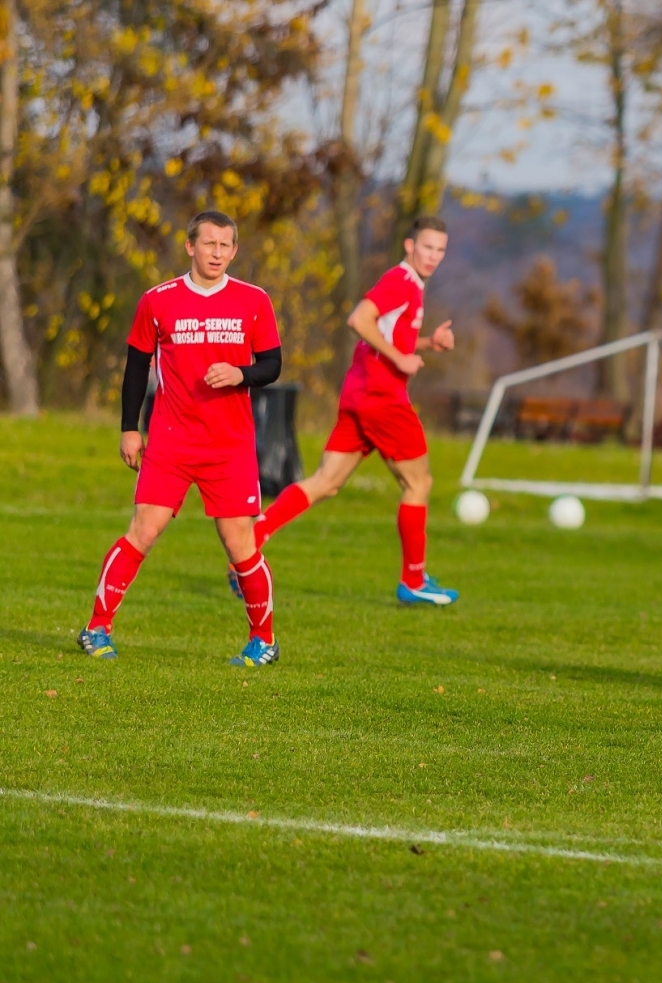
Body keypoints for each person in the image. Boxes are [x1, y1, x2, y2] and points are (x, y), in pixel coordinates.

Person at [78, 210, 284, 666]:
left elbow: (272, 364)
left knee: (239, 543)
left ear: (234, 250)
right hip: (171, 441)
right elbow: (136, 366)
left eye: (225, 245)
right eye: (209, 243)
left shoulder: (253, 300)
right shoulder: (158, 301)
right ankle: (96, 628)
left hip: (229, 445)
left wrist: (241, 373)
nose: (217, 253)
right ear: (190, 246)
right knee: (143, 530)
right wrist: (129, 428)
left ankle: (263, 641)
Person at [247, 216, 459, 605]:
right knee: (418, 484)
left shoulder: (410, 284)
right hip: (383, 397)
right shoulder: (401, 280)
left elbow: (388, 335)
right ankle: (414, 582)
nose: (433, 256)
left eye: (440, 250)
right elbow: (359, 319)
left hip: (358, 394)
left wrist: (428, 343)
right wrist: (401, 359)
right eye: (427, 247)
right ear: (410, 246)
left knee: (326, 481)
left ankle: (252, 540)